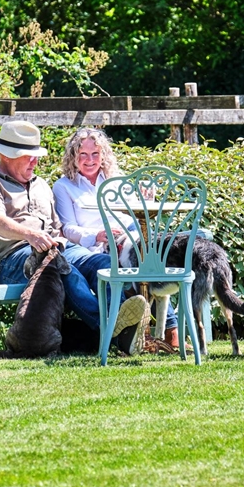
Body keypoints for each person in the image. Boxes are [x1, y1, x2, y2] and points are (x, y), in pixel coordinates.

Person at [0, 121, 150, 356]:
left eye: (36, 156)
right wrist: (30, 235)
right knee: (64, 271)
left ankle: (116, 323)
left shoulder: (41, 184)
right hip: (14, 259)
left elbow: (59, 229)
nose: (35, 162)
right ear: (6, 156)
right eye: (28, 156)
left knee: (103, 264)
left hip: (57, 249)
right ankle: (114, 331)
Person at [52, 127, 181, 345]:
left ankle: (168, 331)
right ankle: (167, 330)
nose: (89, 160)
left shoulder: (117, 180)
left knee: (146, 255)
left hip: (126, 242)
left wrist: (145, 201)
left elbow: (135, 216)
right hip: (95, 249)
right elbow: (67, 228)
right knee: (141, 259)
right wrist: (97, 235)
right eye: (83, 154)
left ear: (103, 156)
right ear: (73, 156)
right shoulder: (64, 186)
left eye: (95, 154)